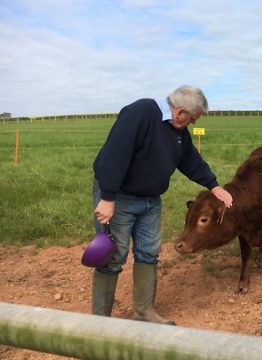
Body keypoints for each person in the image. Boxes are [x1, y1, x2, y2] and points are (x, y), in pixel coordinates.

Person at [92, 85, 233, 325]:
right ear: (179, 113)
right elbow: (115, 153)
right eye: (192, 119)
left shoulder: (177, 131)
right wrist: (107, 198)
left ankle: (144, 313)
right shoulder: (141, 113)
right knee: (113, 255)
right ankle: (99, 322)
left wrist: (214, 186)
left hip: (150, 201)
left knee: (149, 252)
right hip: (119, 197)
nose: (191, 124)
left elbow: (189, 159)